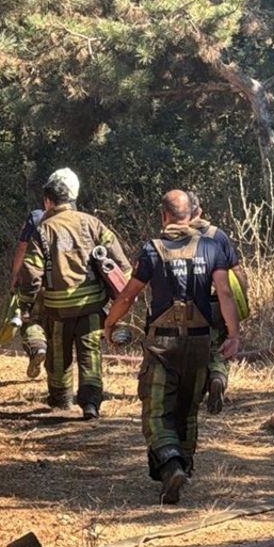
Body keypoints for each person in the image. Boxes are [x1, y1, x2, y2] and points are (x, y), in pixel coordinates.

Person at [105, 190, 240, 504]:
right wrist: (233, 334)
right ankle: (185, 466)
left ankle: (171, 466)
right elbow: (225, 292)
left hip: (162, 345)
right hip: (200, 342)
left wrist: (110, 323)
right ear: (191, 215)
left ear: (164, 216)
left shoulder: (152, 250)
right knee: (188, 411)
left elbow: (129, 295)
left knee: (157, 412)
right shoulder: (211, 246)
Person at [17, 168, 130, 419]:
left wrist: (26, 302)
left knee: (59, 353)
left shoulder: (43, 230)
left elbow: (32, 271)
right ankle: (91, 404)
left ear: (48, 201)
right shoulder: (92, 223)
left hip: (57, 309)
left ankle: (61, 400)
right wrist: (123, 296)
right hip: (92, 306)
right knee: (90, 353)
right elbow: (120, 262)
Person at [186, 191, 250, 414]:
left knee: (189, 347)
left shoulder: (174, 237)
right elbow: (236, 272)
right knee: (219, 347)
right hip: (217, 304)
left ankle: (195, 390)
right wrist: (242, 300)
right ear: (200, 211)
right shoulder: (217, 235)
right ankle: (218, 377)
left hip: (187, 305)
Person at [5, 206, 48, 378]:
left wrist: (15, 275)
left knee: (30, 320)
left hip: (36, 279)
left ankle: (38, 349)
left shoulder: (36, 217)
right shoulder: (78, 220)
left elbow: (23, 247)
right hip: (66, 285)